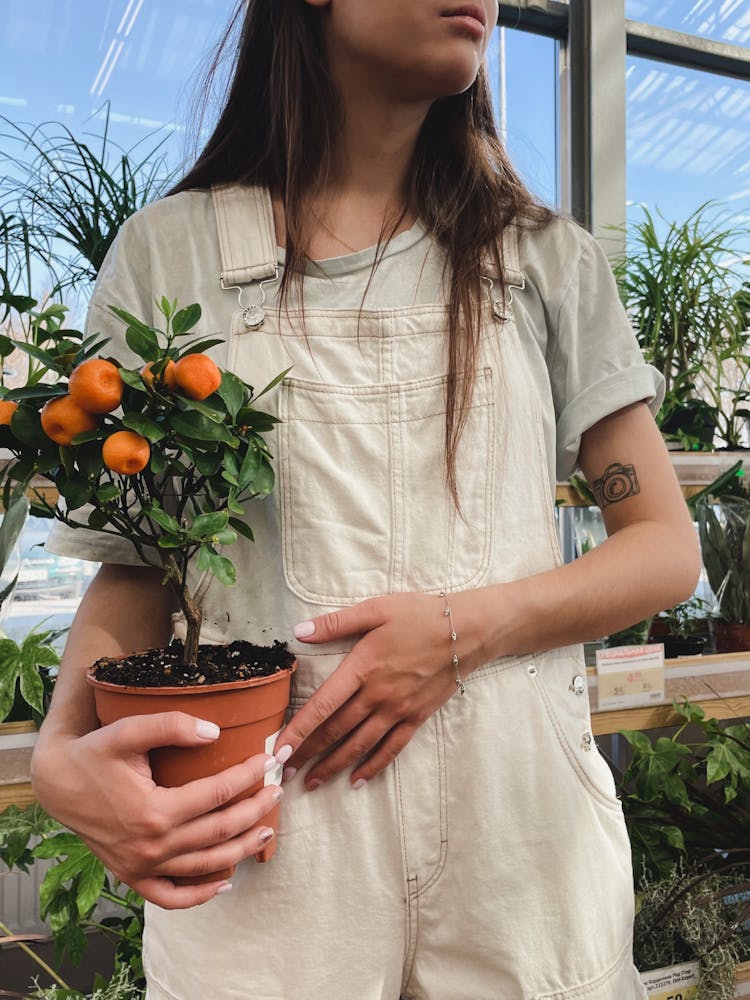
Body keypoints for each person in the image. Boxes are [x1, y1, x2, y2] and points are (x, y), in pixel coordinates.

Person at [32, 1, 700, 997]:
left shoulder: (548, 260)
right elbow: (138, 563)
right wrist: (58, 755)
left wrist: (461, 629)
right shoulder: (171, 255)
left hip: (520, 841)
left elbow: (662, 546)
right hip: (269, 846)